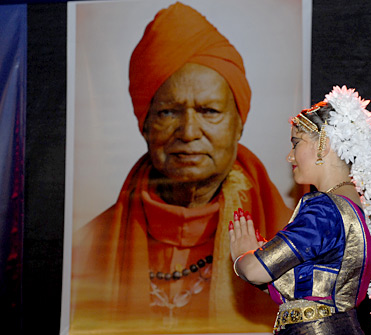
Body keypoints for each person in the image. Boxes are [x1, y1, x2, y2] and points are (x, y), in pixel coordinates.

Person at [70, 2, 291, 333]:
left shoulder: (292, 239)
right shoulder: (85, 250)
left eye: (209, 110)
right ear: (144, 125)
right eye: (168, 112)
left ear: (238, 125)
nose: (188, 132)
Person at [229, 86, 371, 334]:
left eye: (296, 143)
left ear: (324, 144)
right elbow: (308, 290)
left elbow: (254, 269)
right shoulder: (353, 208)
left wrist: (243, 257)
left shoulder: (324, 208)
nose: (290, 157)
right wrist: (263, 255)